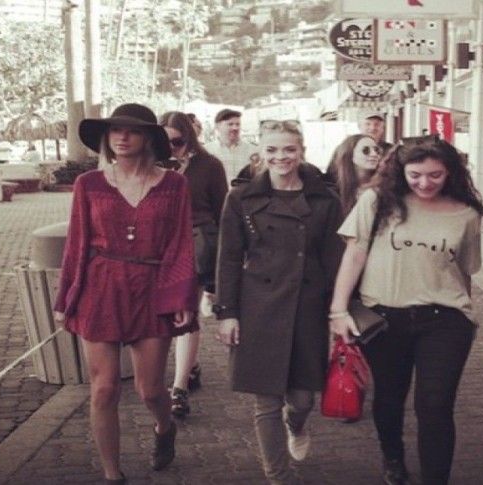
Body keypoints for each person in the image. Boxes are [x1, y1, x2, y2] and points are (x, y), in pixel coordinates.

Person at [53, 103, 198, 484]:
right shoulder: (89, 184)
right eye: (115, 130)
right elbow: (76, 244)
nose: (122, 136)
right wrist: (66, 297)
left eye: (132, 130)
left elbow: (180, 244)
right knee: (103, 389)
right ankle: (112, 474)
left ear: (149, 138)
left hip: (153, 289)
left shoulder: (174, 185)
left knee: (150, 390)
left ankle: (164, 427)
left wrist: (181, 296)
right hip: (100, 290)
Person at [329, 138, 483, 485]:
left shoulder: (466, 214)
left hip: (445, 320)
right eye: (416, 175)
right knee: (389, 397)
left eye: (435, 175)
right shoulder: (376, 201)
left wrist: (467, 314)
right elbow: (354, 255)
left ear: (450, 172)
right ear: (401, 171)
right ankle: (393, 457)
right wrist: (338, 311)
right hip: (384, 318)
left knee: (435, 404)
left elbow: (464, 270)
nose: (425, 183)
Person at [214, 120, 344, 485]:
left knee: (302, 399)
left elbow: (335, 259)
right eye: (272, 149)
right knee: (266, 402)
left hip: (307, 305)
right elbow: (228, 258)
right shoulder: (241, 198)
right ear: (261, 151)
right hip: (259, 306)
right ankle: (278, 476)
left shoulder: (325, 199)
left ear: (301, 150)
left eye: (289, 149)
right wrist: (227, 313)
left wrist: (339, 309)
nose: (281, 156)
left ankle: (296, 424)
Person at [159, 111, 228, 418]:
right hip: (161, 247)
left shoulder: (209, 165)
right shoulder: (151, 165)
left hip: (197, 243)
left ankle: (179, 389)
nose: (172, 148)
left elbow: (222, 211)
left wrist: (222, 265)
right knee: (165, 313)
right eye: (165, 142)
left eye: (178, 141)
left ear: (190, 138)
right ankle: (191, 365)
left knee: (186, 311)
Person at [325, 134, 384, 215]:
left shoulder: (383, 187)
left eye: (376, 150)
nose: (374, 154)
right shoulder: (333, 190)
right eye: (366, 150)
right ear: (350, 154)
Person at [204, 108, 258, 185]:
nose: (235, 128)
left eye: (237, 124)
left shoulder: (253, 150)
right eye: (230, 124)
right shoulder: (207, 151)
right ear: (217, 126)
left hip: (246, 192)